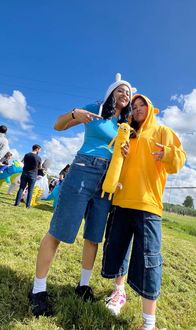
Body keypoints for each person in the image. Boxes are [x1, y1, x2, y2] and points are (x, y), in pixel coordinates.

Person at [28, 73, 135, 317]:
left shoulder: (124, 125)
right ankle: (38, 289)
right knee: (59, 230)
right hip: (84, 170)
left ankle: (83, 285)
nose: (125, 95)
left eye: (128, 93)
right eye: (120, 90)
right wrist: (75, 114)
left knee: (94, 235)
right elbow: (58, 125)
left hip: (107, 180)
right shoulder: (95, 109)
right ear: (111, 93)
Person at [101, 94, 186, 330]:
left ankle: (149, 323)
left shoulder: (162, 132)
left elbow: (180, 159)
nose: (137, 109)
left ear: (151, 109)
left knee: (150, 261)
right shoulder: (128, 133)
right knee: (118, 250)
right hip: (121, 201)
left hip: (148, 205)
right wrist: (123, 153)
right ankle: (118, 292)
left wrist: (167, 154)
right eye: (134, 106)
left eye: (142, 106)